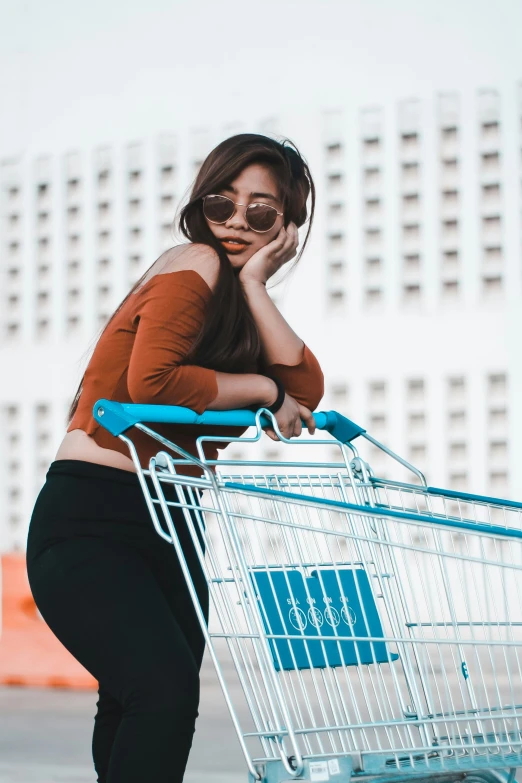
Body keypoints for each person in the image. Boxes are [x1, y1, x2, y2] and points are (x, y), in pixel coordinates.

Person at [26, 133, 324, 783]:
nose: (238, 222)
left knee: (137, 699)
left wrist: (255, 286)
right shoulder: (191, 261)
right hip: (93, 518)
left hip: (174, 522)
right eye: (224, 203)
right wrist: (261, 389)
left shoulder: (238, 304)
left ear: (287, 228)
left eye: (262, 212)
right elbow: (152, 384)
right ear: (201, 204)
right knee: (163, 693)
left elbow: (306, 393)